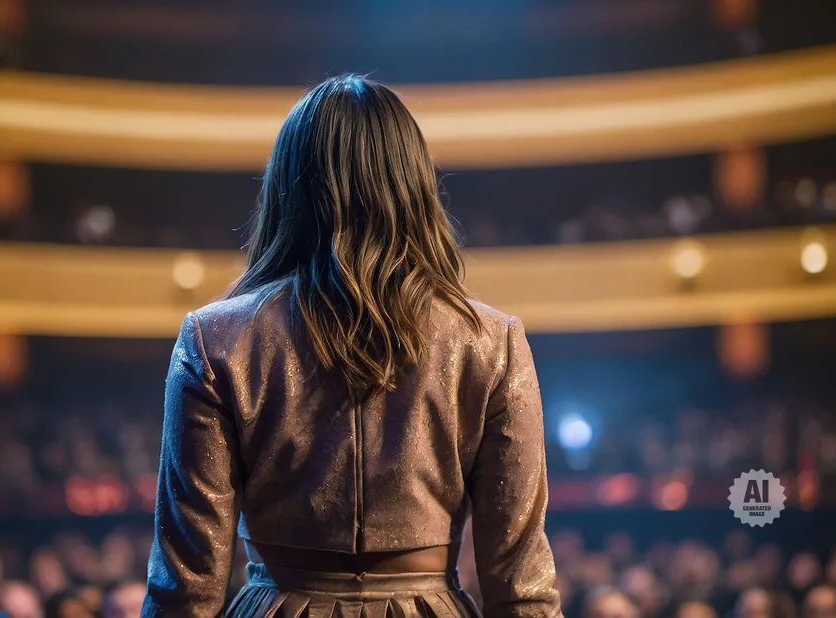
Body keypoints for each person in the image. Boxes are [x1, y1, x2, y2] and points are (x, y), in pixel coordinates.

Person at [143, 74, 562, 618]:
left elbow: (185, 584)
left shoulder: (215, 338)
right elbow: (522, 584)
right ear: (414, 186)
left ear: (289, 189)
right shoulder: (492, 341)